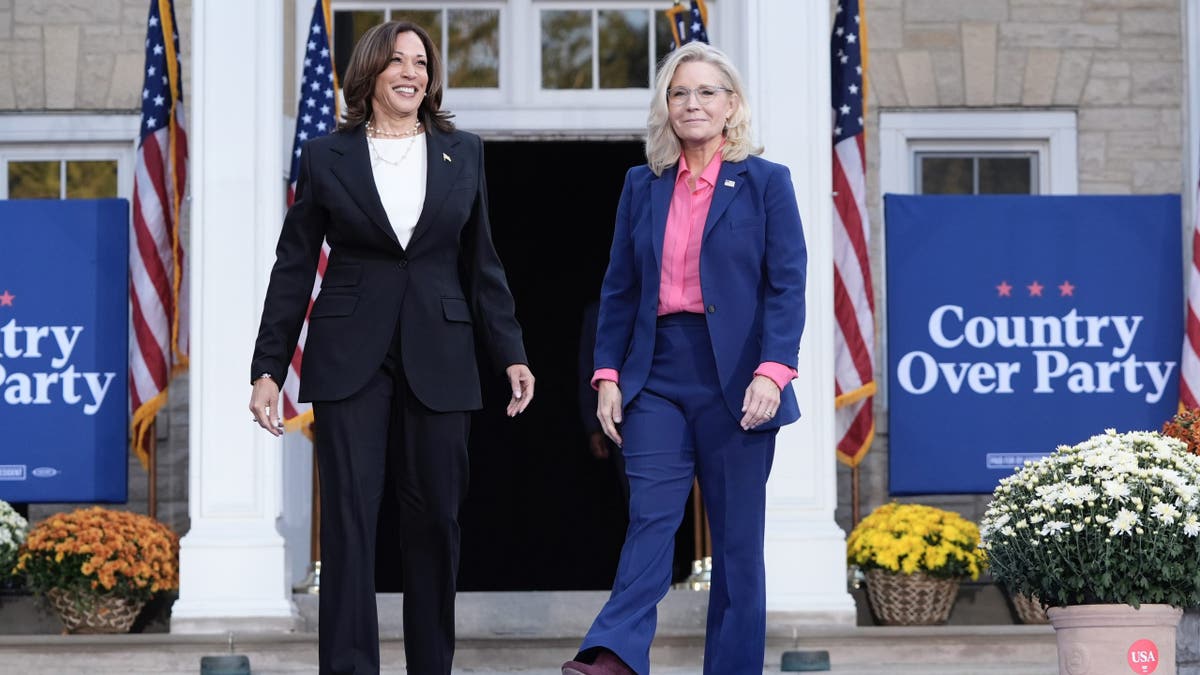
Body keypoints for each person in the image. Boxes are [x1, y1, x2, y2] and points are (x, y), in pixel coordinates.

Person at [248, 20, 534, 675]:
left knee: (435, 517)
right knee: (349, 522)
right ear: (372, 72)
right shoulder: (327, 156)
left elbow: (482, 264)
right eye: (399, 61)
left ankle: (432, 665)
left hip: (442, 349)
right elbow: (294, 266)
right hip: (350, 353)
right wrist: (269, 369)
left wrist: (511, 351)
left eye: (422, 63)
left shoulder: (464, 152)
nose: (412, 73)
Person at [562, 41, 807, 675]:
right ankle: (615, 654)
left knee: (735, 545)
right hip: (657, 374)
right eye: (679, 92)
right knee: (651, 517)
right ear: (665, 107)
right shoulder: (641, 186)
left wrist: (773, 372)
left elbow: (787, 284)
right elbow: (620, 287)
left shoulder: (765, 182)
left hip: (738, 377)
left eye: (705, 92)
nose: (691, 103)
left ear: (731, 106)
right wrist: (608, 374)